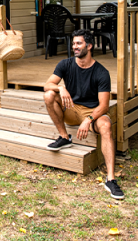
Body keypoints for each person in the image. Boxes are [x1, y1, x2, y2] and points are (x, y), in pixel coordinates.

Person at [43, 29, 124, 200]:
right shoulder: (65, 64)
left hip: (91, 111)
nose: (75, 47)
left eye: (79, 43)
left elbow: (104, 106)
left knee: (106, 126)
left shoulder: (101, 72)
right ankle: (64, 137)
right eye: (74, 44)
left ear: (89, 46)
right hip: (71, 108)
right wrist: (61, 88)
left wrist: (88, 120)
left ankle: (110, 179)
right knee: (49, 95)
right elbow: (47, 85)